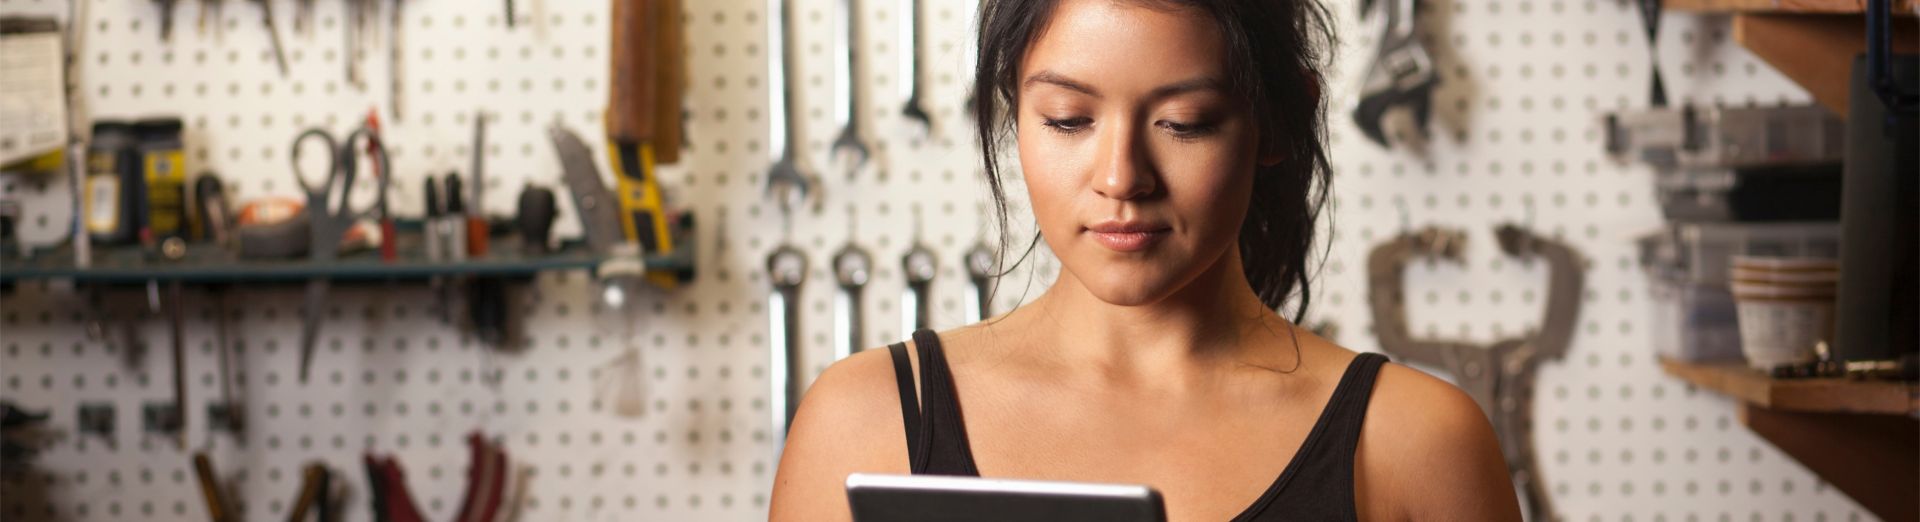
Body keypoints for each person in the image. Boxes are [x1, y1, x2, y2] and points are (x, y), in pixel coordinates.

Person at [770, 0, 1523, 519]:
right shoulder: (864, 423)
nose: (1121, 176)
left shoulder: (1418, 444)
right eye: (1068, 119)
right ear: (1015, 111)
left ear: (1276, 121)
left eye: (1185, 123)